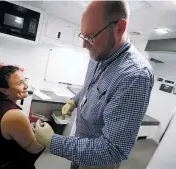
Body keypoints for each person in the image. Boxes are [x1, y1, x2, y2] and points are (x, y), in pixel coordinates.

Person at [34, 1, 154, 169]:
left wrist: (53, 141)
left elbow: (113, 149)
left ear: (119, 27)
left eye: (90, 37)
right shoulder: (99, 55)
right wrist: (74, 100)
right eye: (83, 36)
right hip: (80, 145)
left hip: (99, 162)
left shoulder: (135, 76)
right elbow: (91, 88)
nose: (84, 45)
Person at [0, 66, 44, 169]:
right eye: (20, 83)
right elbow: (35, 149)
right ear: (4, 90)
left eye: (24, 80)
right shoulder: (14, 115)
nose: (26, 86)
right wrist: (45, 135)